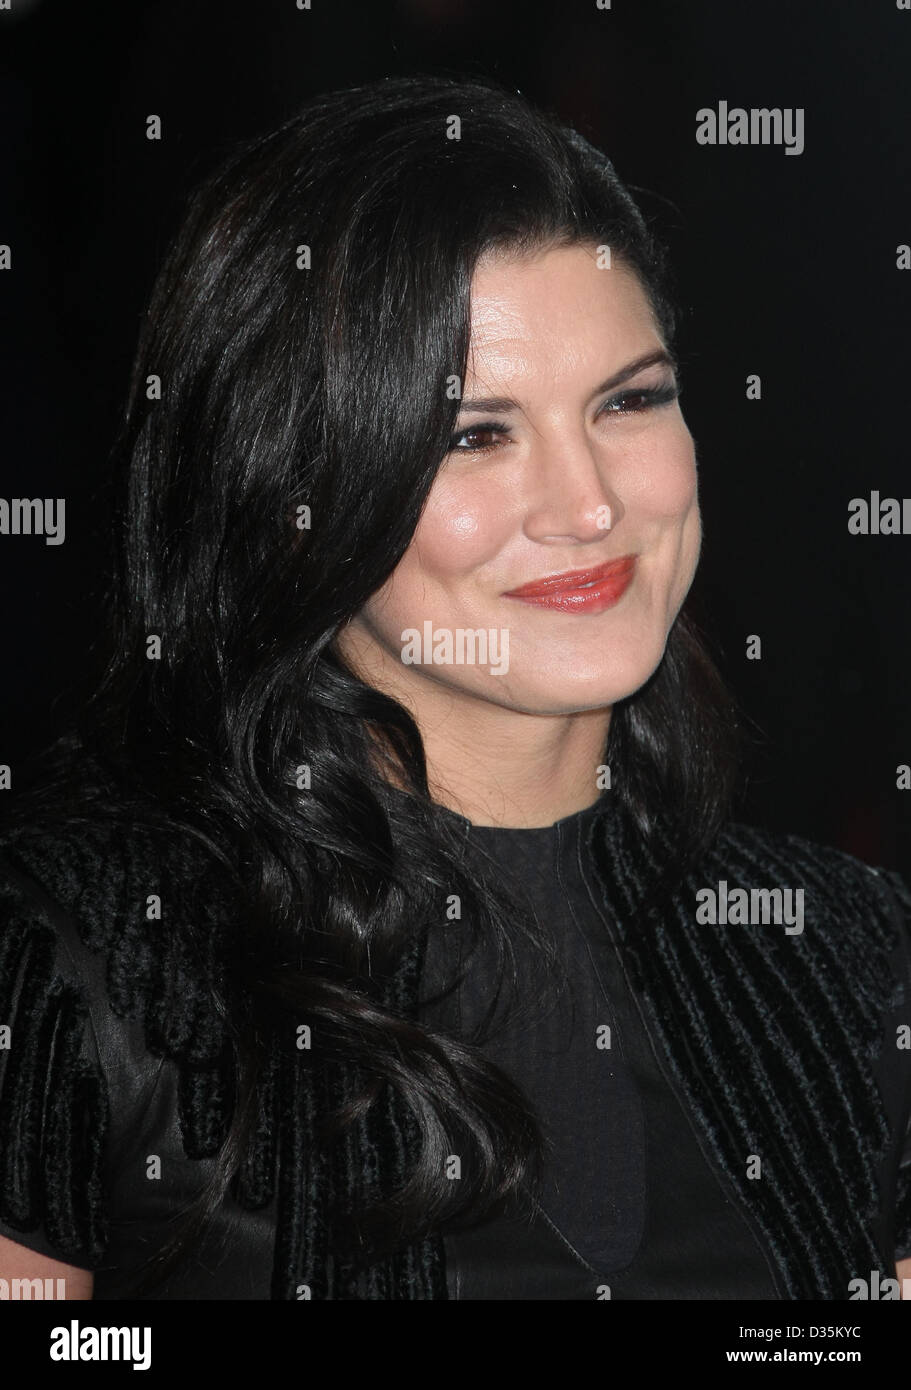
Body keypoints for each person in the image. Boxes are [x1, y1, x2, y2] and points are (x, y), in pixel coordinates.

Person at [1, 72, 909, 1302]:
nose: (589, 505)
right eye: (474, 434)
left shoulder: (849, 955)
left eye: (627, 401)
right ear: (289, 496)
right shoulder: (80, 960)